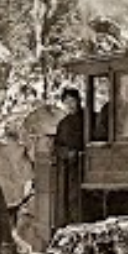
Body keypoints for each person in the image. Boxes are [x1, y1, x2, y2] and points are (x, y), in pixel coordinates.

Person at [53, 86, 85, 227]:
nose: (70, 105)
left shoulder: (88, 119)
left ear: (78, 101)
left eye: (72, 101)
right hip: (67, 167)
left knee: (80, 200)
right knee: (67, 199)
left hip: (84, 165)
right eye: (67, 102)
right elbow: (57, 146)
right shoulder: (63, 123)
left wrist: (80, 153)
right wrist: (66, 153)